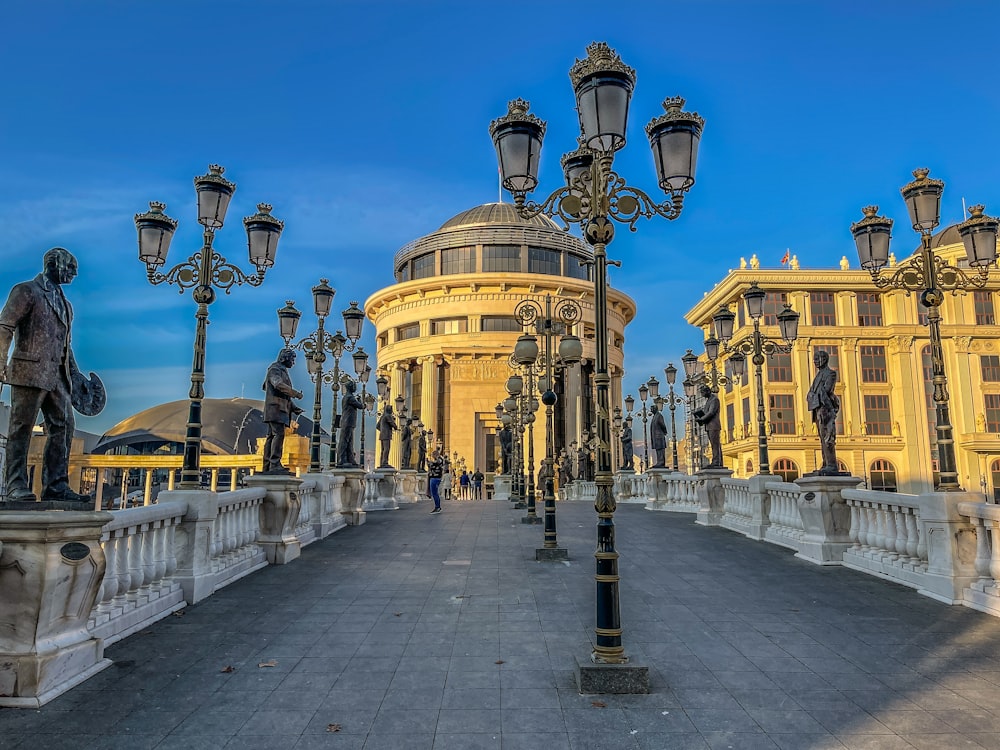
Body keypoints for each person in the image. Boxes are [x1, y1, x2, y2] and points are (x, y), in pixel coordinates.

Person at [0, 247, 98, 503]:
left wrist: (76, 378)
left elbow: (64, 343)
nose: (74, 274)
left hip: (58, 376)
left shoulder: (66, 304)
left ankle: (56, 486)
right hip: (29, 370)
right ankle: (15, 485)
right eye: (71, 269)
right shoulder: (27, 291)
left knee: (64, 426)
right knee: (21, 428)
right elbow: (5, 326)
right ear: (54, 265)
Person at [262, 348, 304, 474]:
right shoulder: (275, 369)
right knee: (278, 435)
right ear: (285, 358)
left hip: (278, 408)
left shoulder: (281, 370)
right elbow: (278, 385)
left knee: (271, 436)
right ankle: (274, 464)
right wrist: (295, 393)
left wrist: (295, 408)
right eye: (292, 359)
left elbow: (283, 396)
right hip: (275, 409)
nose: (293, 362)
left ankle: (268, 465)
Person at [807, 350, 841, 474]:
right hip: (818, 409)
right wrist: (813, 395)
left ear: (825, 359)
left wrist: (814, 395)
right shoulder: (818, 376)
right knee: (822, 437)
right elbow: (810, 393)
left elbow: (826, 390)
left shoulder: (830, 374)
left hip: (825, 409)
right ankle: (826, 463)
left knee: (828, 437)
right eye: (814, 359)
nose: (815, 361)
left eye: (817, 358)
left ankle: (831, 465)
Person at [337, 379, 364, 467]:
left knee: (349, 441)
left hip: (348, 422)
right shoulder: (350, 397)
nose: (355, 388)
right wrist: (360, 401)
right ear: (351, 387)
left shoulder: (347, 397)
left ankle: (350, 459)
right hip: (348, 421)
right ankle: (342, 459)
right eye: (354, 386)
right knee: (345, 441)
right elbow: (361, 406)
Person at [694, 384, 722, 468]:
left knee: (715, 444)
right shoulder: (709, 400)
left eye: (702, 392)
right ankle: (716, 461)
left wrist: (701, 419)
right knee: (714, 444)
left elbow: (711, 412)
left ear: (707, 391)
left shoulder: (714, 400)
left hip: (714, 425)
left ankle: (717, 462)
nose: (702, 395)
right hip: (709, 425)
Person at [377, 403, 396, 468]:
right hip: (386, 435)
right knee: (386, 449)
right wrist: (394, 426)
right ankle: (385, 462)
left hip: (382, 435)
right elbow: (393, 424)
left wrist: (382, 430)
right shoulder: (388, 416)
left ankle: (381, 462)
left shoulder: (382, 416)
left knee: (383, 450)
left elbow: (377, 426)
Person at [649, 404, 668, 468]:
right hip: (656, 436)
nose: (651, 410)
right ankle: (659, 461)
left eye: (652, 409)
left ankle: (661, 462)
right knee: (658, 449)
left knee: (660, 449)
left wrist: (665, 431)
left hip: (659, 436)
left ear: (655, 409)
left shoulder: (659, 416)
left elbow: (662, 424)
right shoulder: (654, 416)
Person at [427, 448, 444, 513]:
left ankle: (437, 507)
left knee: (434, 493)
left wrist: (429, 463)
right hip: (435, 477)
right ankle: (437, 506)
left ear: (435, 455)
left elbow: (434, 464)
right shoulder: (439, 460)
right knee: (435, 493)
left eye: (432, 455)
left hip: (435, 478)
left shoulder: (439, 459)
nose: (432, 457)